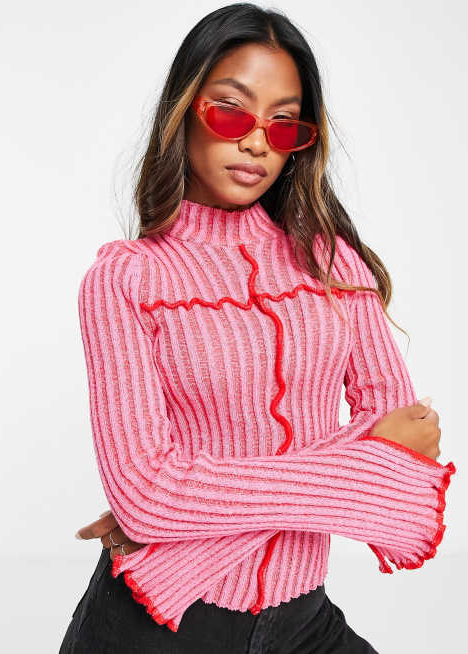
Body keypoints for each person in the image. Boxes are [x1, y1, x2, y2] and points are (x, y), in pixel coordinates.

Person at [59, 4, 456, 652]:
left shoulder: (331, 263)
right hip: (153, 628)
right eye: (231, 112)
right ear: (183, 110)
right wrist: (357, 464)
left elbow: (406, 456)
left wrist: (187, 519)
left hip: (303, 623)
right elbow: (148, 497)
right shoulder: (126, 279)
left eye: (283, 123)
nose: (255, 142)